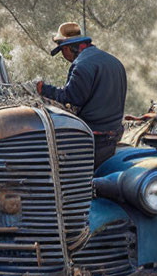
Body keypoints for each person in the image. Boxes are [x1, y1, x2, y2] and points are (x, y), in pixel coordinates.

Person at [37, 22, 126, 168]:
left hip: (95, 138)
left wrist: (45, 90)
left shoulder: (82, 65)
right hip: (114, 133)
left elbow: (72, 98)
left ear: (66, 48)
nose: (64, 57)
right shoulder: (114, 61)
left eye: (62, 52)